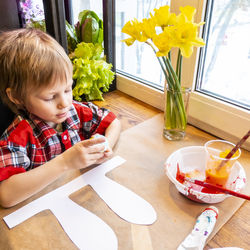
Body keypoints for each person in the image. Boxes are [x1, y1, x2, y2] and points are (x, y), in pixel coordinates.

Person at [0, 29, 121, 208]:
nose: (64, 103)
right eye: (50, 97)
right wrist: (65, 162)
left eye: (67, 89)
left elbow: (112, 122)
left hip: (80, 201)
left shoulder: (74, 111)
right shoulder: (17, 136)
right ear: (17, 97)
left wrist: (105, 146)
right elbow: (6, 196)